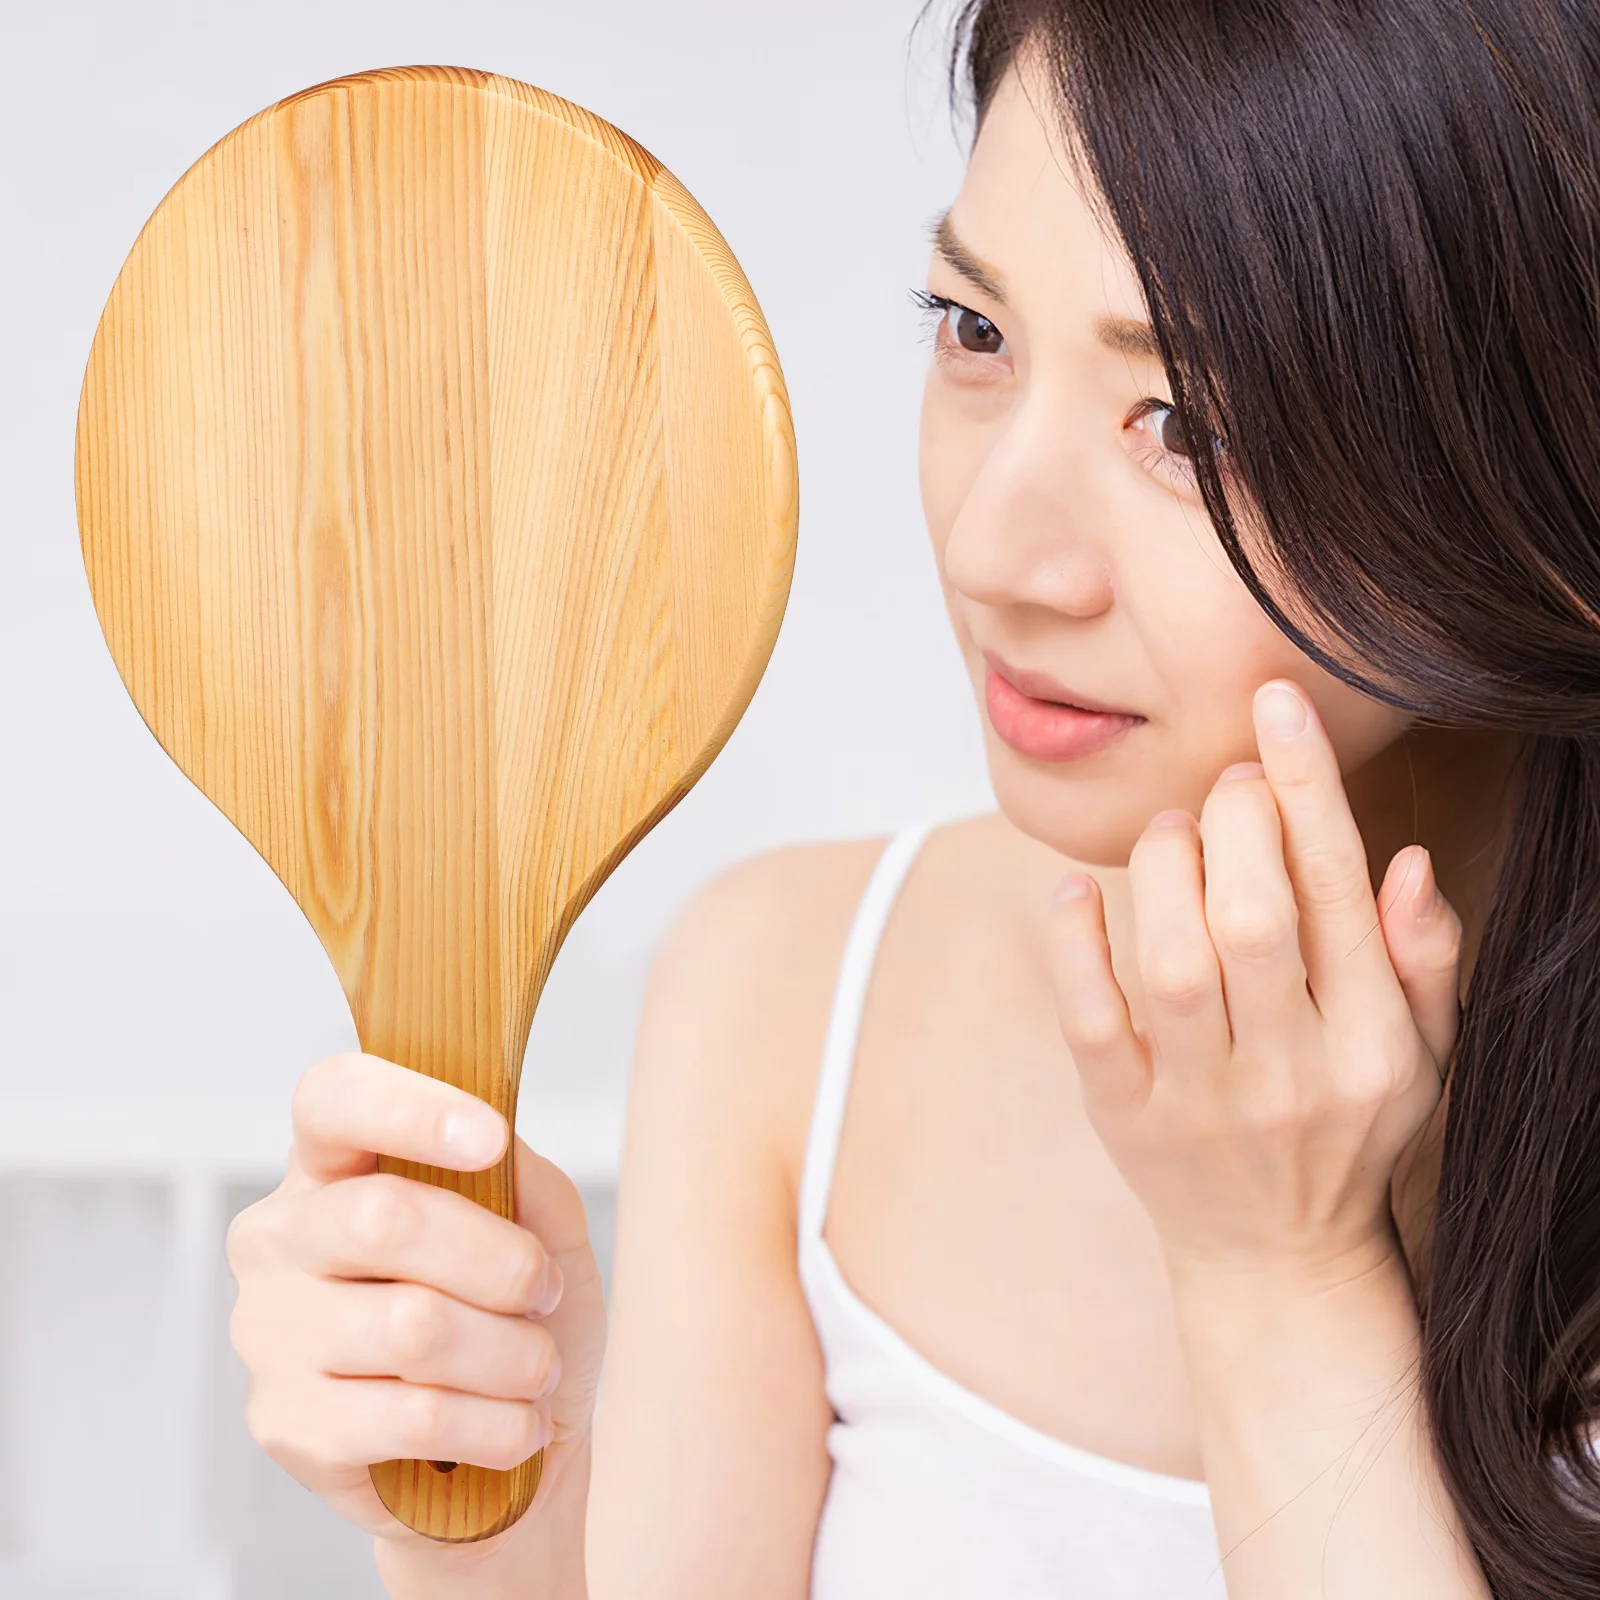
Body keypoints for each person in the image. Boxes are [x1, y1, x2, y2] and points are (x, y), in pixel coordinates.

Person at [223, 0, 1600, 1593]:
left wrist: (1277, 1283)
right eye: (976, 331)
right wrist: (489, 1506)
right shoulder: (788, 998)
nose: (994, 555)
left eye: (1187, 427)